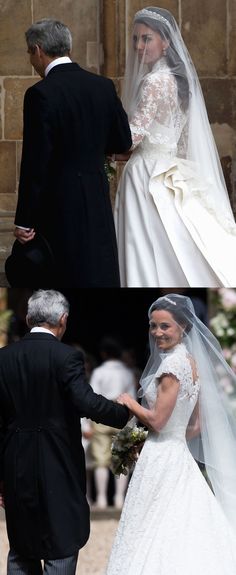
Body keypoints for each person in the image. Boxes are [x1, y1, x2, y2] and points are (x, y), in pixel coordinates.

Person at [0, 290, 129, 575]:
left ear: (28, 317)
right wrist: (125, 412)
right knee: (61, 543)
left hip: (15, 465)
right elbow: (85, 401)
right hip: (57, 461)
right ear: (63, 319)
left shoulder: (3, 357)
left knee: (22, 546)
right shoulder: (67, 356)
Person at [105, 293, 236, 574]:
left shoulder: (171, 366)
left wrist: (129, 403)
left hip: (161, 457)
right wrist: (174, 439)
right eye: (153, 326)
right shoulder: (191, 363)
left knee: (150, 524)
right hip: (177, 454)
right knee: (179, 520)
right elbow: (197, 424)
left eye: (165, 326)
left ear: (183, 328)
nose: (157, 332)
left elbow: (158, 420)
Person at [114, 6, 236, 287]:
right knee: (173, 236)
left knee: (145, 241)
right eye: (136, 39)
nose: (139, 46)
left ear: (166, 42)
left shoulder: (154, 82)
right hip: (169, 166)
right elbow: (179, 138)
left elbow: (132, 138)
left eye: (147, 38)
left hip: (146, 172)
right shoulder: (180, 82)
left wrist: (104, 144)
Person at [12, 19, 132, 287]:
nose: (32, 61)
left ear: (38, 50)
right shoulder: (103, 85)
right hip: (97, 197)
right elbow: (123, 140)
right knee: (97, 271)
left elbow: (35, 162)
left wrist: (24, 220)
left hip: (58, 205)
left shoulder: (40, 93)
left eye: (30, 53)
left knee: (62, 277)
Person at [90, 337, 136, 509]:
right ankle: (119, 499)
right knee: (122, 459)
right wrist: (134, 422)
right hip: (123, 415)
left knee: (100, 458)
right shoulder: (127, 372)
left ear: (103, 353)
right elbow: (131, 398)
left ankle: (101, 498)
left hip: (102, 415)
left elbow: (91, 398)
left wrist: (87, 423)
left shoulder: (99, 372)